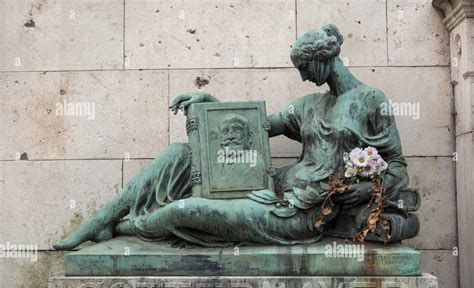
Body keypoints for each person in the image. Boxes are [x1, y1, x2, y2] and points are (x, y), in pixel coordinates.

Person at [53, 24, 419, 250]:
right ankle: (99, 221)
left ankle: (125, 227)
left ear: (324, 59)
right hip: (270, 184)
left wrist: (365, 188)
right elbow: (257, 124)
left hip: (300, 211)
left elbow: (397, 166)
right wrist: (211, 105)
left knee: (191, 210)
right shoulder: (309, 105)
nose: (304, 77)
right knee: (179, 154)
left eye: (305, 68)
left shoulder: (371, 101)